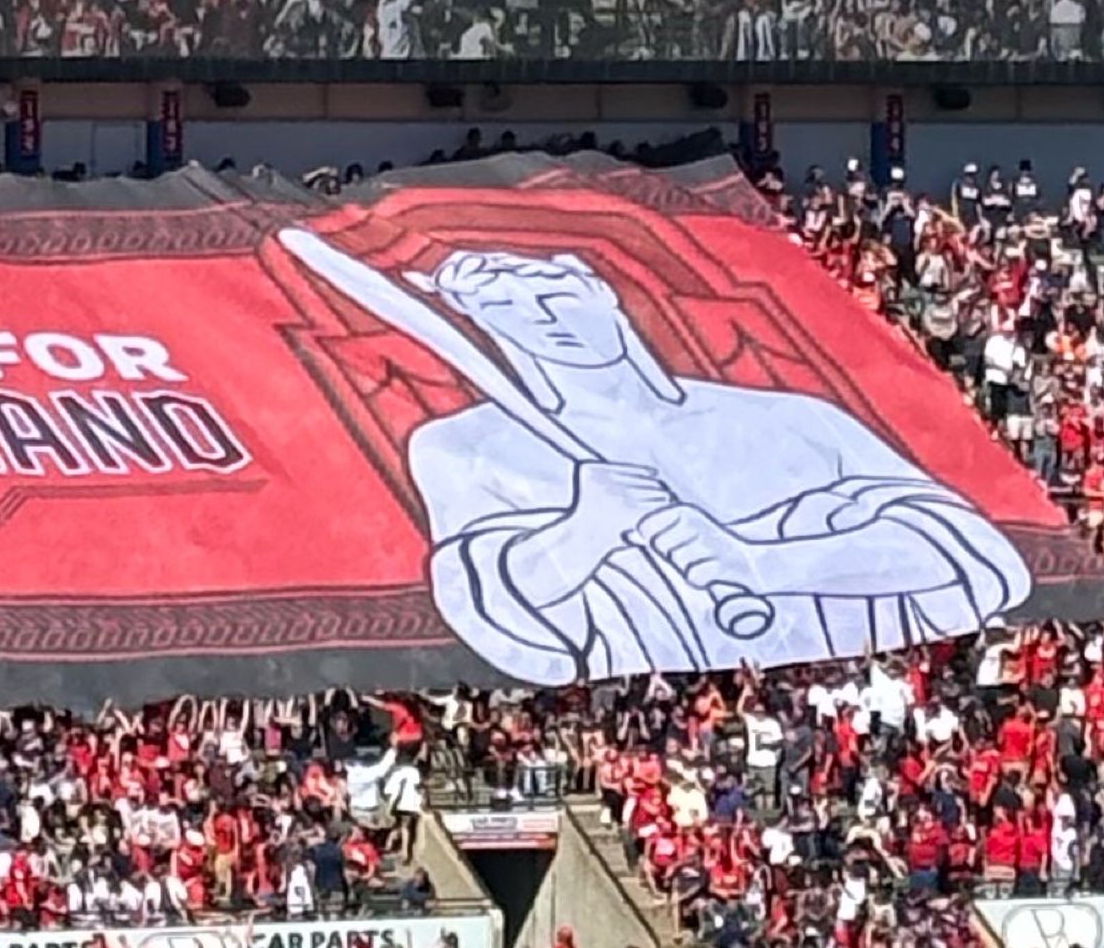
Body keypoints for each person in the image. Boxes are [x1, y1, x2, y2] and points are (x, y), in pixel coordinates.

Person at [388, 248, 1032, 680]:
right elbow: (493, 616)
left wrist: (761, 560)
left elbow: (979, 557)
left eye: (554, 292)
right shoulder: (461, 446)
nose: (541, 317)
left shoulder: (799, 422)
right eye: (505, 307)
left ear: (600, 294)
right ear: (480, 324)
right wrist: (584, 529)